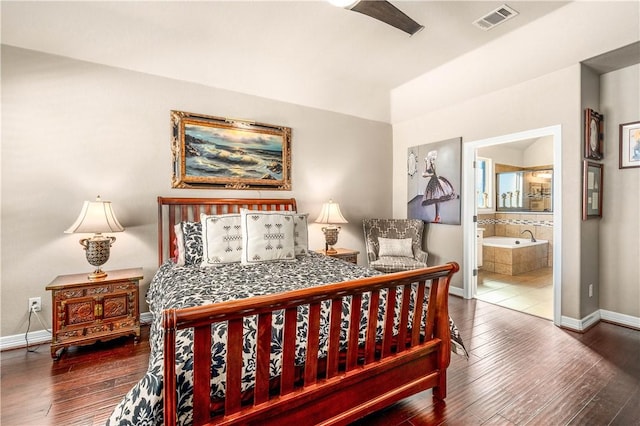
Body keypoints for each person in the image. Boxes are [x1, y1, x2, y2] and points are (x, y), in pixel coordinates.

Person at [421, 150, 457, 223]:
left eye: (434, 158)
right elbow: (424, 174)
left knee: (438, 199)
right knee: (437, 199)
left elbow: (431, 172)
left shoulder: (432, 163)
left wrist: (434, 174)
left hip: (435, 180)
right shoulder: (429, 163)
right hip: (434, 181)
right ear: (430, 158)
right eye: (433, 158)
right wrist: (431, 173)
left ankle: (437, 216)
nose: (434, 159)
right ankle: (437, 216)